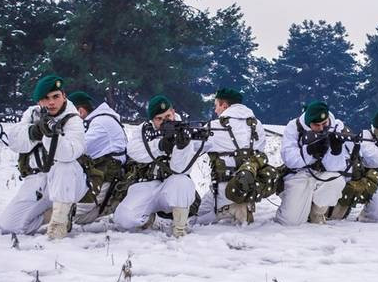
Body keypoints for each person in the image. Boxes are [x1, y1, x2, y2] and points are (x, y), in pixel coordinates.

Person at [0, 75, 87, 238]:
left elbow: (69, 153)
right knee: (10, 225)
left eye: (56, 96)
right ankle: (55, 213)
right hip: (39, 178)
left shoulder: (73, 119)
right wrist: (35, 131)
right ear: (39, 101)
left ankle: (59, 223)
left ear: (64, 96)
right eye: (46, 98)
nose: (51, 102)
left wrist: (51, 135)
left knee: (63, 165)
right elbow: (15, 141)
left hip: (69, 181)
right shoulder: (32, 114)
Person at [112, 95, 198, 237]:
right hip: (146, 185)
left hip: (171, 186)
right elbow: (133, 151)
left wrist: (181, 147)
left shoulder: (183, 130)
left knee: (183, 181)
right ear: (152, 120)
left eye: (168, 116)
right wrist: (160, 145)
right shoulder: (144, 131)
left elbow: (181, 169)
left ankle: (179, 228)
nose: (165, 121)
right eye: (159, 119)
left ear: (173, 112)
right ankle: (148, 216)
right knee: (123, 220)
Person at [195, 88, 277, 224]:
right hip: (248, 189)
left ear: (224, 106)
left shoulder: (214, 127)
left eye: (216, 106)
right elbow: (259, 152)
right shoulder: (257, 125)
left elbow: (193, 148)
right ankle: (244, 205)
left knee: (199, 218)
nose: (215, 111)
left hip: (224, 190)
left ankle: (232, 209)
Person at [275, 101, 351, 226]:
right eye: (316, 125)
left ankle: (317, 212)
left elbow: (338, 168)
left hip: (324, 173)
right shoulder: (294, 127)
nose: (321, 128)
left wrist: (335, 152)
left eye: (324, 123)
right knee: (290, 222)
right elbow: (289, 159)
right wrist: (310, 151)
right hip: (299, 174)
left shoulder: (337, 127)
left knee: (336, 181)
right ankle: (295, 205)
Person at [67, 91, 128, 225]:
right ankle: (109, 205)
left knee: (69, 214)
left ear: (80, 112)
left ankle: (113, 204)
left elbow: (75, 151)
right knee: (72, 214)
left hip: (105, 177)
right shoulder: (99, 120)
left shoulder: (100, 123)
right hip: (101, 176)